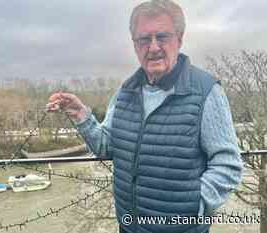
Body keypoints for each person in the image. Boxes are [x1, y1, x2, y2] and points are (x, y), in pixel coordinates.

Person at [46, 0, 243, 232]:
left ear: (179, 39)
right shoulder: (125, 91)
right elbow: (107, 147)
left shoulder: (206, 91)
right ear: (134, 44)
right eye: (144, 39)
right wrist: (82, 115)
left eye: (162, 37)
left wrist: (193, 206)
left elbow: (228, 165)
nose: (153, 47)